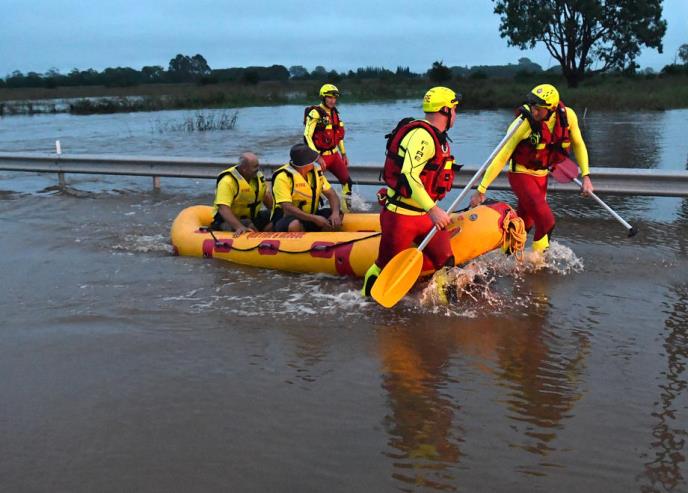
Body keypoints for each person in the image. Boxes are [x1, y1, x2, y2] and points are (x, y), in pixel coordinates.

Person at [469, 83, 594, 253]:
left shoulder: (568, 116)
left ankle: (504, 258)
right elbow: (501, 156)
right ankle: (538, 262)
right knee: (546, 221)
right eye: (533, 107)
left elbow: (578, 144)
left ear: (552, 108)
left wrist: (586, 176)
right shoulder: (523, 123)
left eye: (539, 109)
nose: (534, 112)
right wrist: (481, 189)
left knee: (524, 224)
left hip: (541, 176)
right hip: (521, 174)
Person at [362, 87, 461, 296]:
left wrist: (431, 211)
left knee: (446, 262)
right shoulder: (422, 137)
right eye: (454, 109)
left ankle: (447, 309)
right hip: (401, 216)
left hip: (424, 216)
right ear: (445, 110)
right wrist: (434, 210)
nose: (455, 114)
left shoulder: (438, 137)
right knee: (384, 267)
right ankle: (365, 304)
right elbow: (409, 175)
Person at [270, 143, 342, 232]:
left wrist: (335, 213)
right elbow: (287, 208)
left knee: (337, 215)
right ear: (305, 164)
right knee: (294, 224)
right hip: (287, 219)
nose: (316, 162)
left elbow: (332, 194)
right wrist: (314, 218)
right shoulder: (282, 177)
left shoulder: (316, 172)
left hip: (311, 216)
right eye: (313, 160)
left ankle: (323, 238)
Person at [304, 83, 353, 208]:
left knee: (347, 182)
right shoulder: (315, 113)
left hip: (334, 156)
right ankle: (315, 210)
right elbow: (307, 136)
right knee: (315, 187)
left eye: (334, 98)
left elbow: (338, 136)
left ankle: (346, 210)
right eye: (330, 97)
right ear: (323, 97)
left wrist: (343, 154)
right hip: (320, 158)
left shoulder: (335, 113)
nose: (333, 100)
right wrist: (316, 157)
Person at [210, 152, 274, 233]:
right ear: (244, 168)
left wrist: (277, 213)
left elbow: (267, 199)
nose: (258, 169)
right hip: (228, 221)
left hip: (252, 217)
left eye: (258, 166)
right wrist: (239, 227)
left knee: (276, 216)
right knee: (248, 223)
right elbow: (223, 209)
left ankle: (267, 235)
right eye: (255, 167)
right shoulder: (227, 181)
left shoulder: (258, 176)